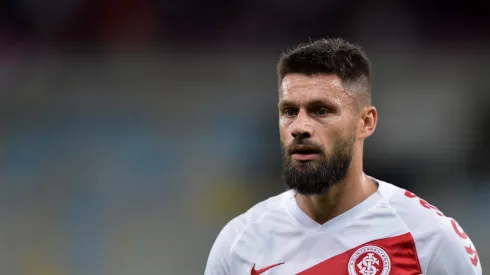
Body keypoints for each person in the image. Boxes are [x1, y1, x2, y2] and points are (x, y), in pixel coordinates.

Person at [204, 38, 482, 275]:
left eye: (321, 110)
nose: (300, 127)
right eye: (289, 111)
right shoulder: (238, 242)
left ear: (366, 122)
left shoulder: (430, 239)